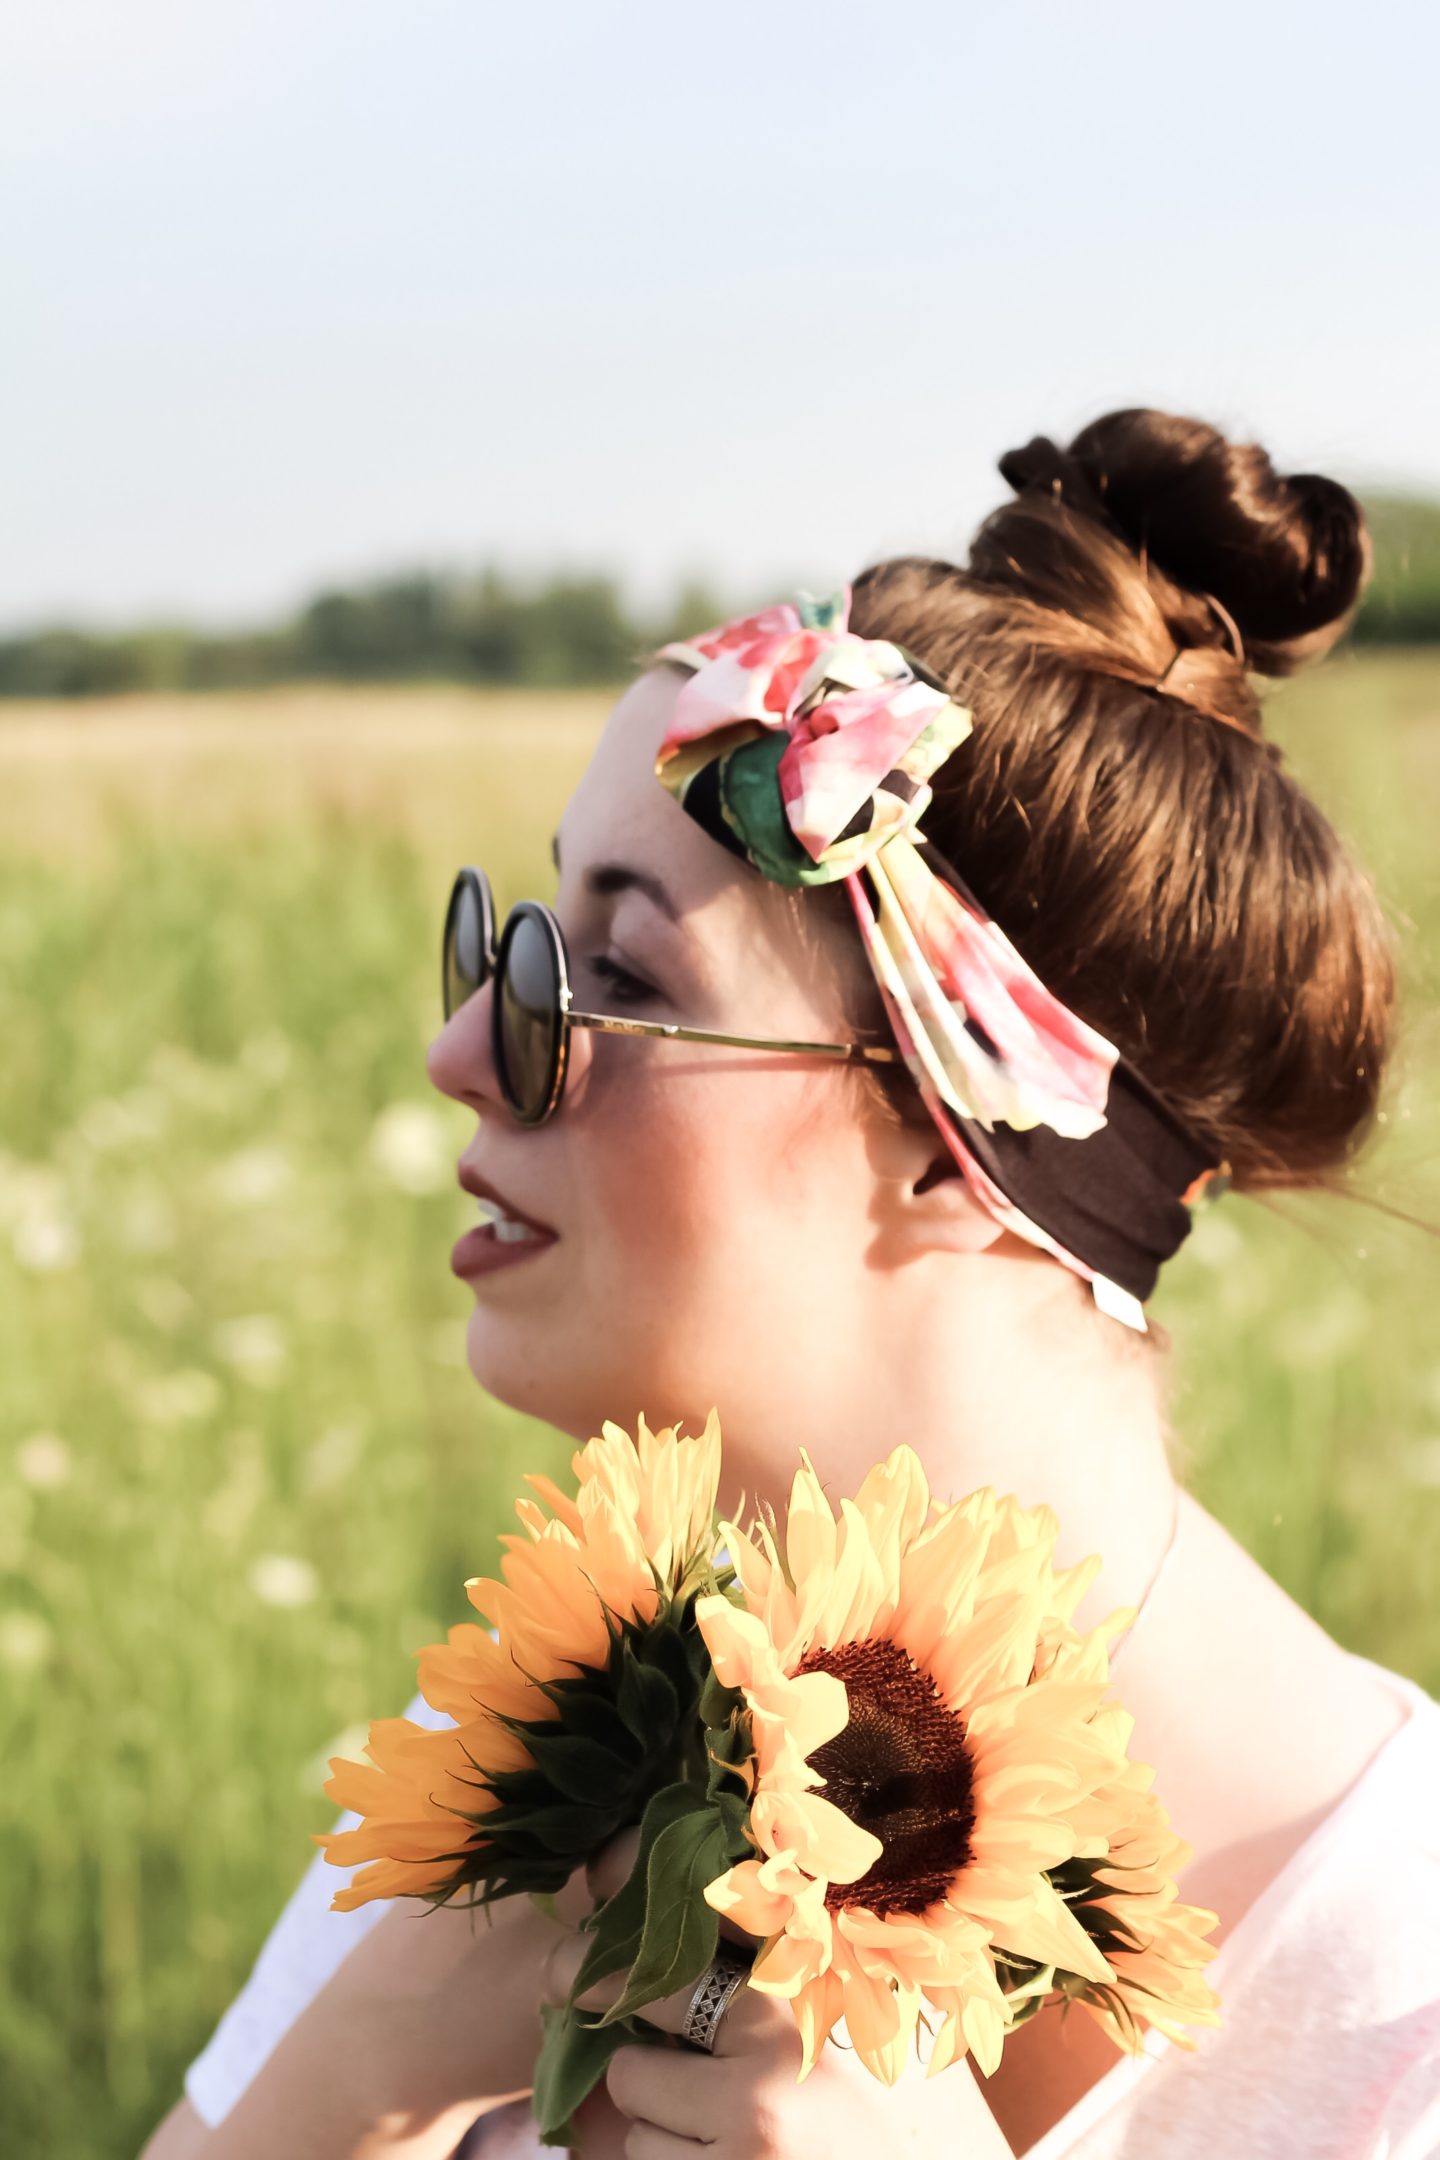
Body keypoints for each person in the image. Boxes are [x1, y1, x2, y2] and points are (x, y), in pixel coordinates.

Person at [142, 408, 1440, 2160]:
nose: (463, 1048)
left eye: (604, 973)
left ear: (953, 1130)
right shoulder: (550, 1754)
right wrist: (355, 2067)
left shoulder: (1400, 2010)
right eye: (509, 940)